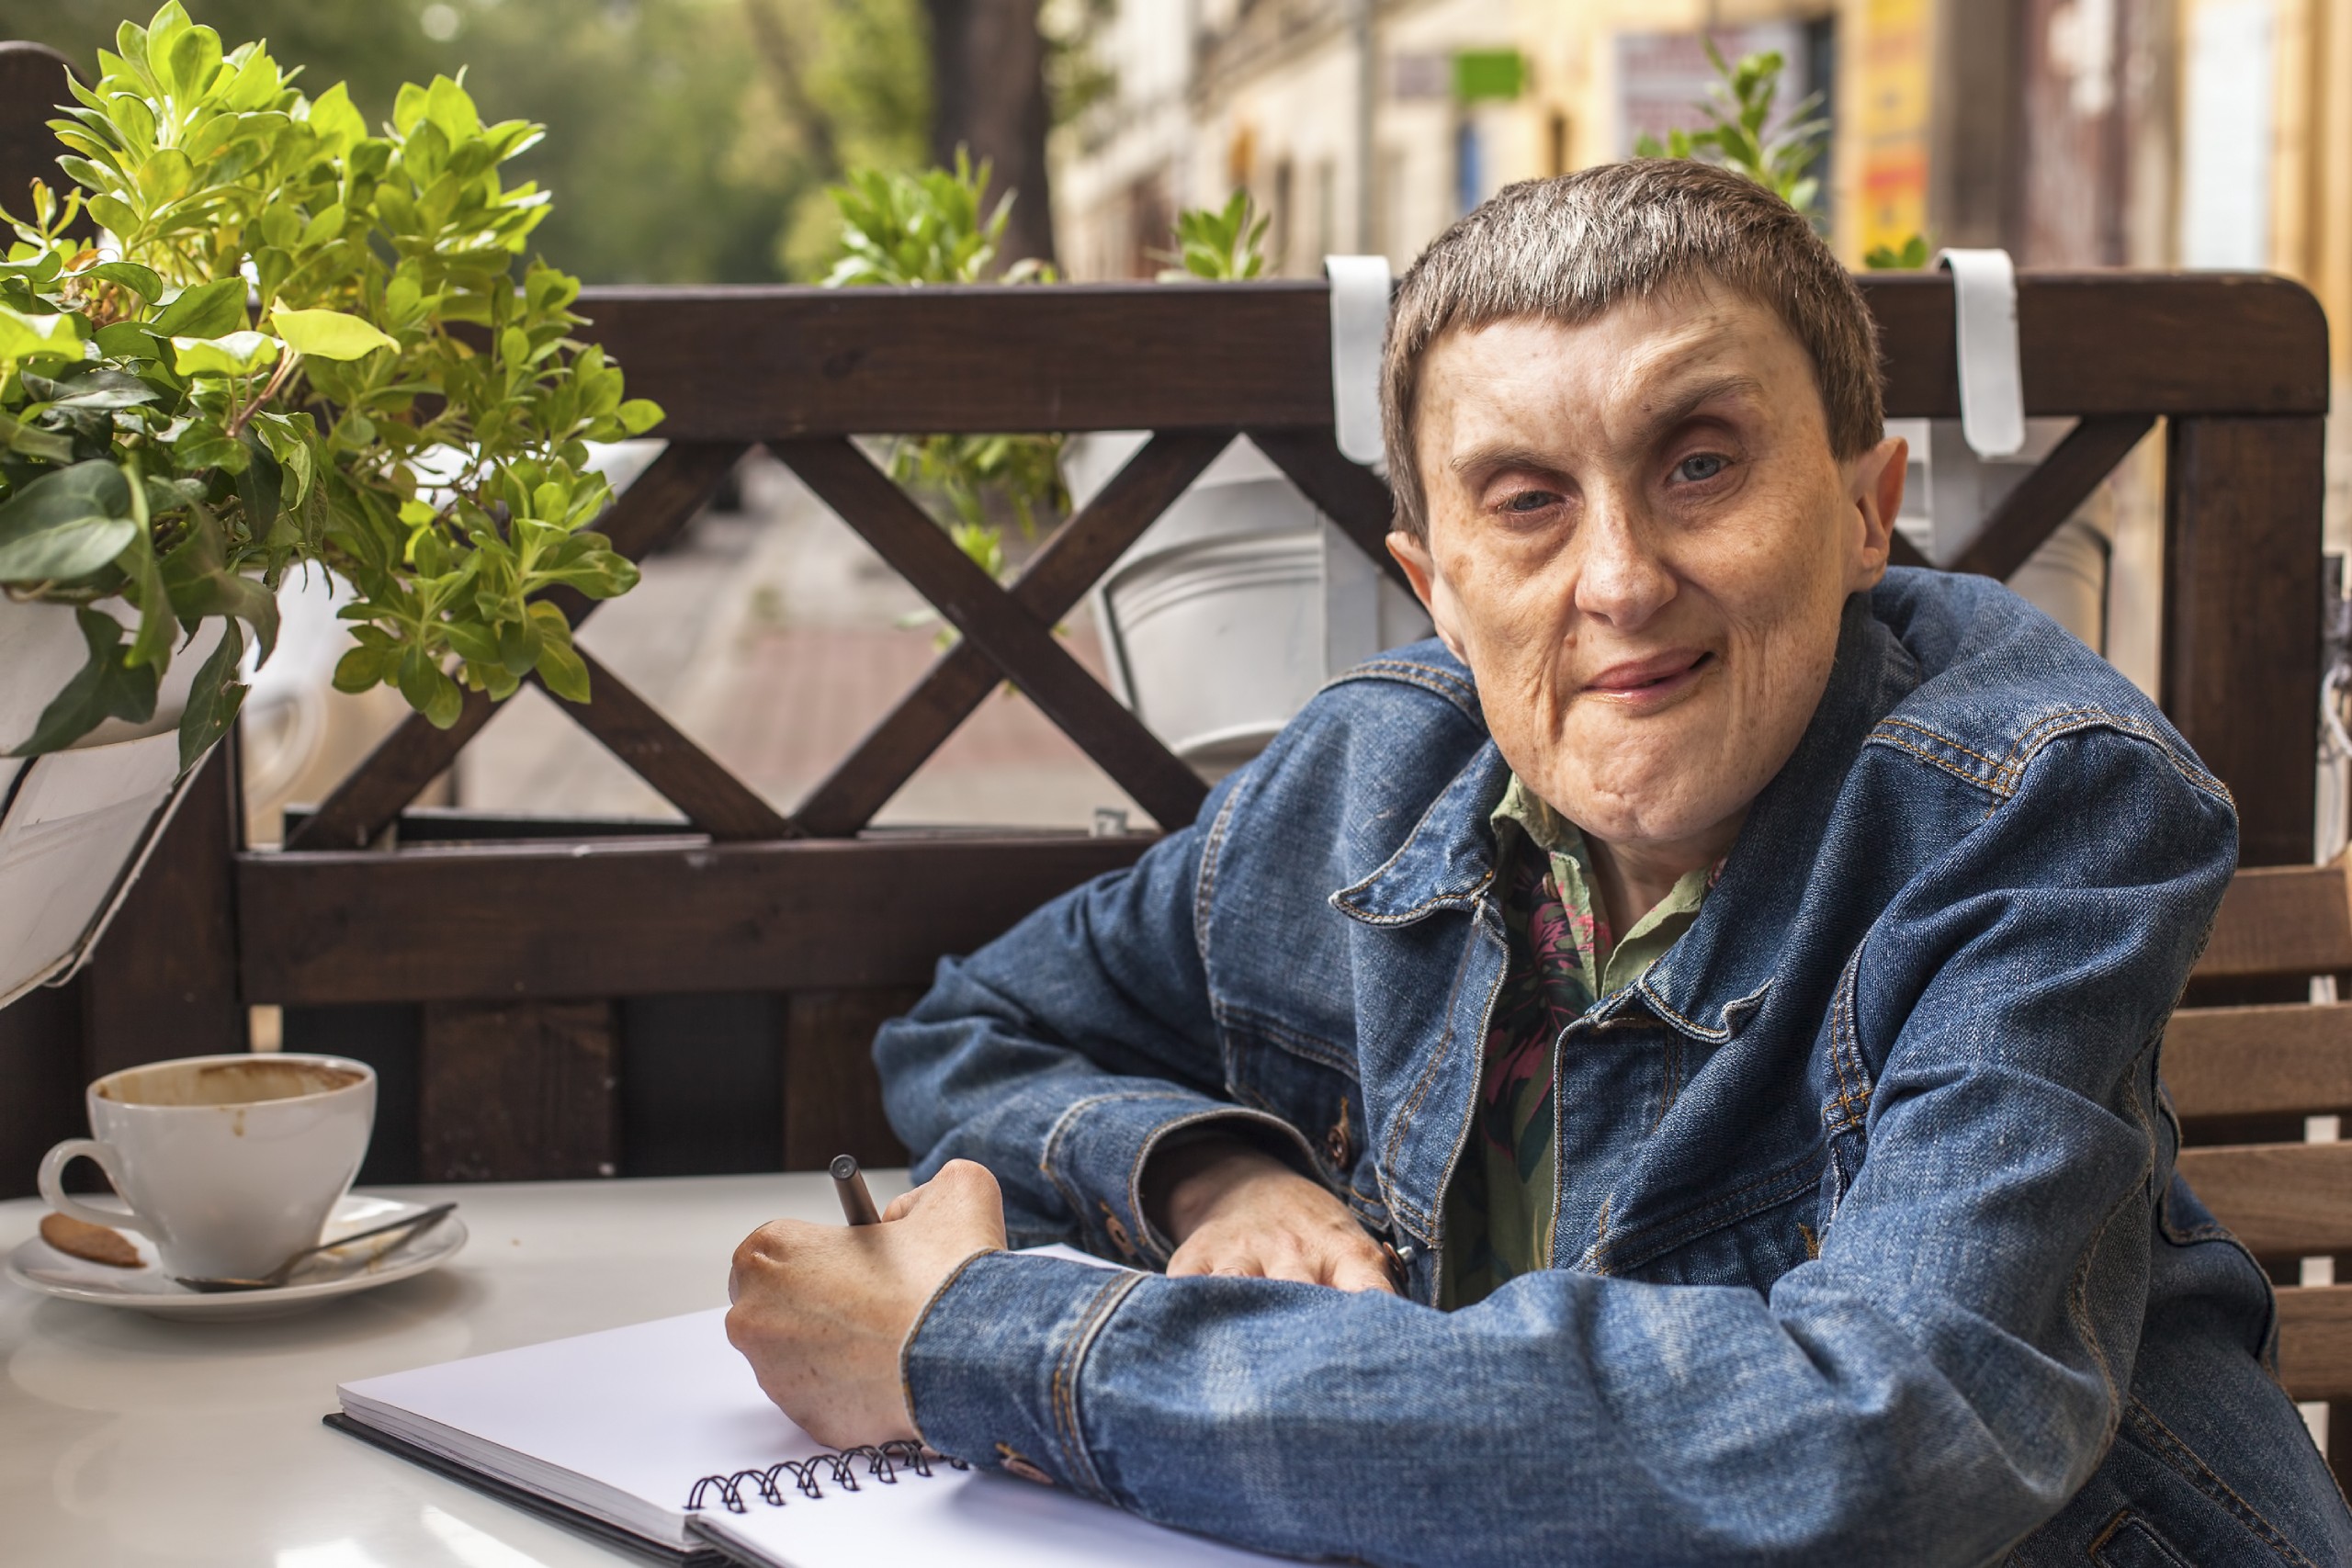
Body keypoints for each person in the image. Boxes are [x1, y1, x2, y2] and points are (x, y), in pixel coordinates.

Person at [723, 161, 2352, 1564]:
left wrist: (986, 1345)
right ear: (1434, 585)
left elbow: (1885, 1437)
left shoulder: (2037, 812)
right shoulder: (1370, 778)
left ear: (1869, 510)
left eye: (1701, 460)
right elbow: (974, 1031)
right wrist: (1213, 1169)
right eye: (1526, 502)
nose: (1622, 581)